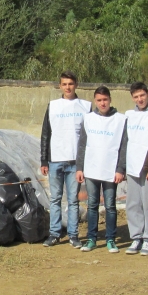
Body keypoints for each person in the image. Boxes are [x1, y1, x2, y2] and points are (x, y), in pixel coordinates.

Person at [40, 72, 92, 248]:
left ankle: (73, 235)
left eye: (71, 83)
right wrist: (44, 160)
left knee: (73, 200)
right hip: (55, 160)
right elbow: (46, 134)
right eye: (64, 84)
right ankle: (54, 234)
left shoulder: (85, 106)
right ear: (60, 86)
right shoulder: (53, 106)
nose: (68, 87)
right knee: (55, 199)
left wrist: (84, 163)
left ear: (76, 84)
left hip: (75, 163)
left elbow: (89, 136)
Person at [76, 86, 128, 253]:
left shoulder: (120, 119)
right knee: (92, 205)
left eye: (105, 99)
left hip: (110, 171)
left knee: (110, 206)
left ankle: (111, 239)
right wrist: (79, 168)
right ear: (95, 101)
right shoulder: (88, 118)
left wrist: (120, 169)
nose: (102, 103)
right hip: (91, 170)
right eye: (99, 100)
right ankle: (91, 238)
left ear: (110, 99)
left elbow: (123, 146)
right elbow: (82, 144)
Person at [123, 82, 148, 256]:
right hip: (132, 168)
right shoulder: (129, 115)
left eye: (142, 95)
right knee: (133, 203)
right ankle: (136, 237)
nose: (140, 99)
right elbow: (125, 142)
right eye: (136, 96)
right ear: (132, 98)